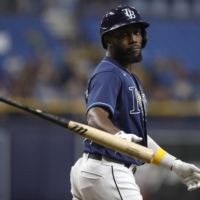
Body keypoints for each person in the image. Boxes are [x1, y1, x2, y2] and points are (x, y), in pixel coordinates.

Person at [70, 5, 200, 200]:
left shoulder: (129, 77)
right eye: (124, 34)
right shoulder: (109, 72)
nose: (133, 39)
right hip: (108, 170)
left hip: (95, 170)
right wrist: (118, 135)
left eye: (137, 32)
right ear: (108, 41)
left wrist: (174, 164)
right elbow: (95, 115)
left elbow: (139, 140)